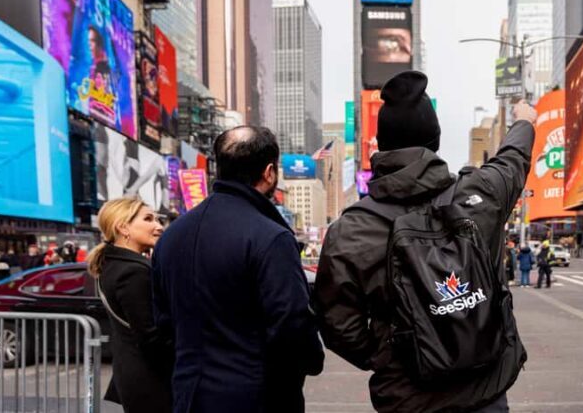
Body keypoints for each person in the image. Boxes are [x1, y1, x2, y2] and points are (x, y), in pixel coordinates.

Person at [313, 71, 536, 412]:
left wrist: (391, 353)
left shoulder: (350, 231)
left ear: (382, 146)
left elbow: (339, 327)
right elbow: (512, 158)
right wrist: (524, 120)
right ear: (434, 140)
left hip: (408, 398)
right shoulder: (481, 194)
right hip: (486, 392)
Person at [153, 126, 323, 413]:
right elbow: (292, 325)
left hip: (188, 395)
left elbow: (163, 324)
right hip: (256, 397)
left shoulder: (171, 236)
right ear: (269, 172)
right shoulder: (271, 237)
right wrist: (310, 361)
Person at [87, 197, 173, 413]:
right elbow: (150, 337)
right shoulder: (133, 272)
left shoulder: (113, 264)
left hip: (135, 374)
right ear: (123, 227)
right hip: (151, 381)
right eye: (148, 219)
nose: (158, 226)